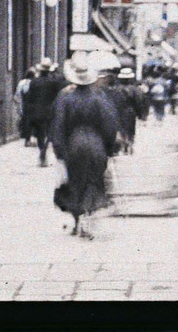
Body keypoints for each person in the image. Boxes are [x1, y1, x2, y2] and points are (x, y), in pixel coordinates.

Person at [50, 55, 122, 239]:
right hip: (96, 144)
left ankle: (77, 220)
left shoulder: (65, 98)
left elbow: (58, 125)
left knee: (75, 182)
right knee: (93, 180)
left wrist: (60, 151)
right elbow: (110, 124)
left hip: (73, 145)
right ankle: (88, 216)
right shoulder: (100, 97)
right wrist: (109, 148)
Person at [24, 58, 66, 167]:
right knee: (48, 133)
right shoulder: (53, 82)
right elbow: (59, 96)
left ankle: (42, 150)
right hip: (50, 112)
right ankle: (44, 151)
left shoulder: (34, 82)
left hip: (37, 112)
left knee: (40, 134)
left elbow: (30, 97)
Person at [110, 67, 147, 154]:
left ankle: (124, 144)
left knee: (121, 129)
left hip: (118, 112)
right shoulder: (135, 90)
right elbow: (139, 102)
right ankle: (130, 143)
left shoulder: (116, 89)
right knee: (131, 129)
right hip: (130, 112)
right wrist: (141, 114)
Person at [14, 67, 36, 146]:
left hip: (24, 104)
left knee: (26, 121)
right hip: (33, 104)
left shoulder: (21, 83)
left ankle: (26, 138)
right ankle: (30, 138)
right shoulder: (34, 82)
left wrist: (19, 104)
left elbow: (18, 94)